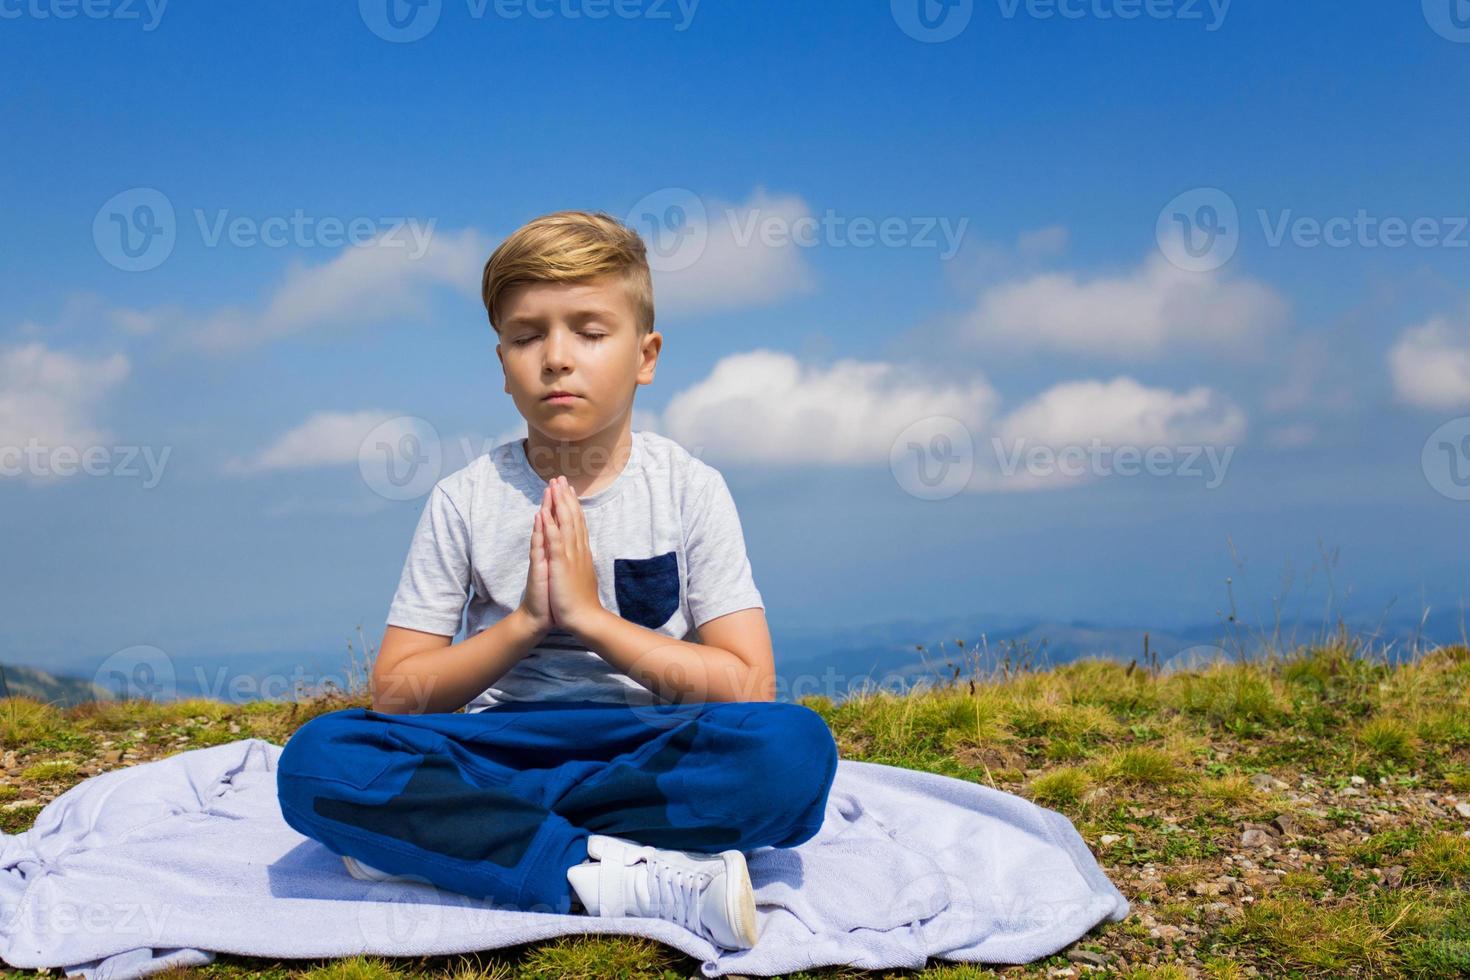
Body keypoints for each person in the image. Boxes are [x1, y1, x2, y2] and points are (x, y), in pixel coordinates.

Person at [275, 210, 839, 951]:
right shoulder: (466, 498)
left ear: (646, 355)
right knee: (315, 762)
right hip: (496, 750)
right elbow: (398, 693)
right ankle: (607, 874)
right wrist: (525, 625)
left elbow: (746, 686)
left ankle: (466, 843)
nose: (557, 358)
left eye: (589, 331)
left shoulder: (689, 489)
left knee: (793, 752)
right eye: (527, 334)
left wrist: (594, 620)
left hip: (648, 744)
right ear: (501, 362)